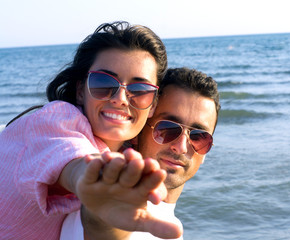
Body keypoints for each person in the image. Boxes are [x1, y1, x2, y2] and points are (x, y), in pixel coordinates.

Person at [0, 21, 172, 240]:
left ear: (153, 106)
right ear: (81, 91)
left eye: (139, 90)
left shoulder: (125, 152)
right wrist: (96, 175)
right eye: (103, 82)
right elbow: (72, 159)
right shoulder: (56, 119)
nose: (119, 99)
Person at [60, 67, 221, 239]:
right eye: (166, 129)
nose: (181, 147)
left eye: (199, 137)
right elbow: (100, 227)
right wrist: (103, 222)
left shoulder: (168, 225)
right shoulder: (111, 207)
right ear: (138, 132)